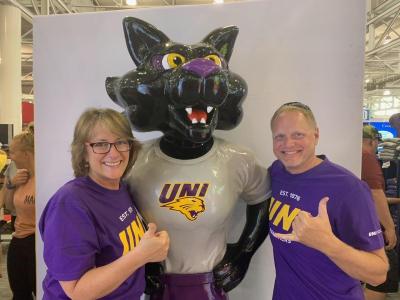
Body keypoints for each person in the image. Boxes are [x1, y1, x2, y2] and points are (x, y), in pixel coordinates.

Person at [39, 108, 170, 299]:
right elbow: (77, 291)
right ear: (84, 152)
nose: (114, 153)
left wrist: (152, 247)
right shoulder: (70, 204)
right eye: (101, 144)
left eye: (121, 142)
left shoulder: (122, 189)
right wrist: (141, 256)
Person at [268, 101, 388, 299]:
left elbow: (378, 274)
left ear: (316, 135)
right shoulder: (277, 172)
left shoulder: (349, 189)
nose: (288, 144)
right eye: (279, 137)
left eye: (298, 135)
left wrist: (326, 243)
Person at [362, 125, 399, 300]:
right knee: (386, 271)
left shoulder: (348, 156)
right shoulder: (367, 157)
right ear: (372, 141)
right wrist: (390, 228)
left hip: (352, 225)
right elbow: (376, 194)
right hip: (369, 225)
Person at [0, 132, 36, 299]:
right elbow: (8, 205)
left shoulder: (43, 178)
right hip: (18, 238)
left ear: (26, 154)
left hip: (36, 241)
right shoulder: (19, 175)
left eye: (13, 152)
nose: (10, 156)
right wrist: (11, 184)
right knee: (20, 293)